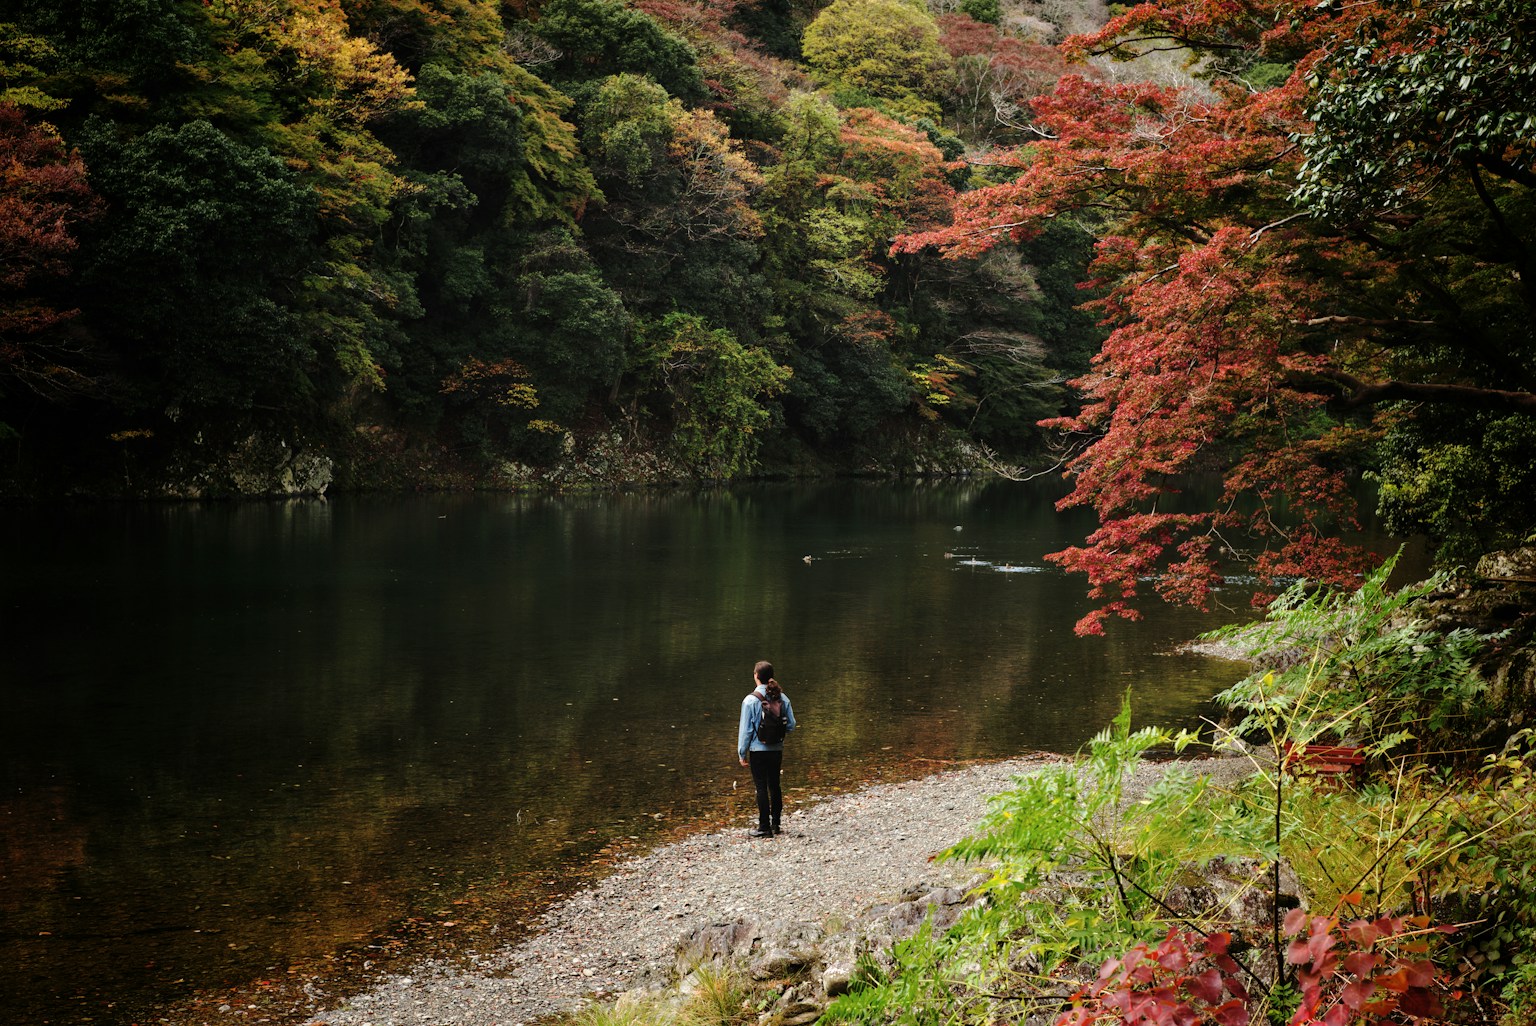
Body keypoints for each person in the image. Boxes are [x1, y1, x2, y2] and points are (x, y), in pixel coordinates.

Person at [737, 659, 796, 837]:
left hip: (757, 751)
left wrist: (742, 753)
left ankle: (764, 827)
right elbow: (791, 725)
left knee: (761, 787)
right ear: (771, 677)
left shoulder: (750, 700)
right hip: (776, 749)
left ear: (756, 676)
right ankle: (776, 824)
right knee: (775, 786)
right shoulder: (783, 698)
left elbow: (746, 731)